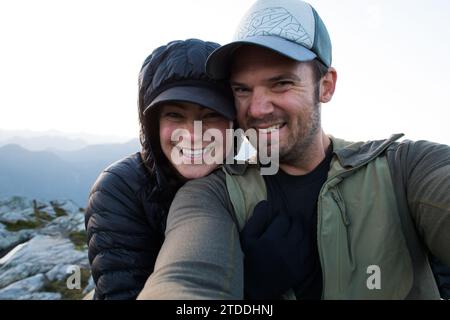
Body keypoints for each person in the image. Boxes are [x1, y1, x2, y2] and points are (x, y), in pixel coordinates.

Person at [137, 0, 450, 300]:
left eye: (281, 83)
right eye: (242, 89)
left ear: (326, 85)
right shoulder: (214, 194)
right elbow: (185, 279)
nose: (258, 109)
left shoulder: (402, 170)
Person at [84, 39, 235, 299]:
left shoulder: (248, 181)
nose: (193, 134)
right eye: (175, 115)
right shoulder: (120, 189)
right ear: (151, 125)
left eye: (211, 115)